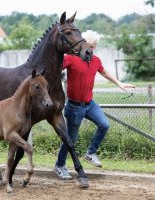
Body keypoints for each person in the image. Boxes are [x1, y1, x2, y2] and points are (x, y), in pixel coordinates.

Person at [54, 30, 135, 180]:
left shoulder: (96, 60)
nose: (90, 50)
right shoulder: (71, 58)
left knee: (104, 124)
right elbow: (55, 67)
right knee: (70, 139)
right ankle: (59, 165)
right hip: (74, 106)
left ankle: (90, 153)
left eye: (93, 47)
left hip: (90, 104)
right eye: (89, 46)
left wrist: (120, 83)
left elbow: (104, 73)